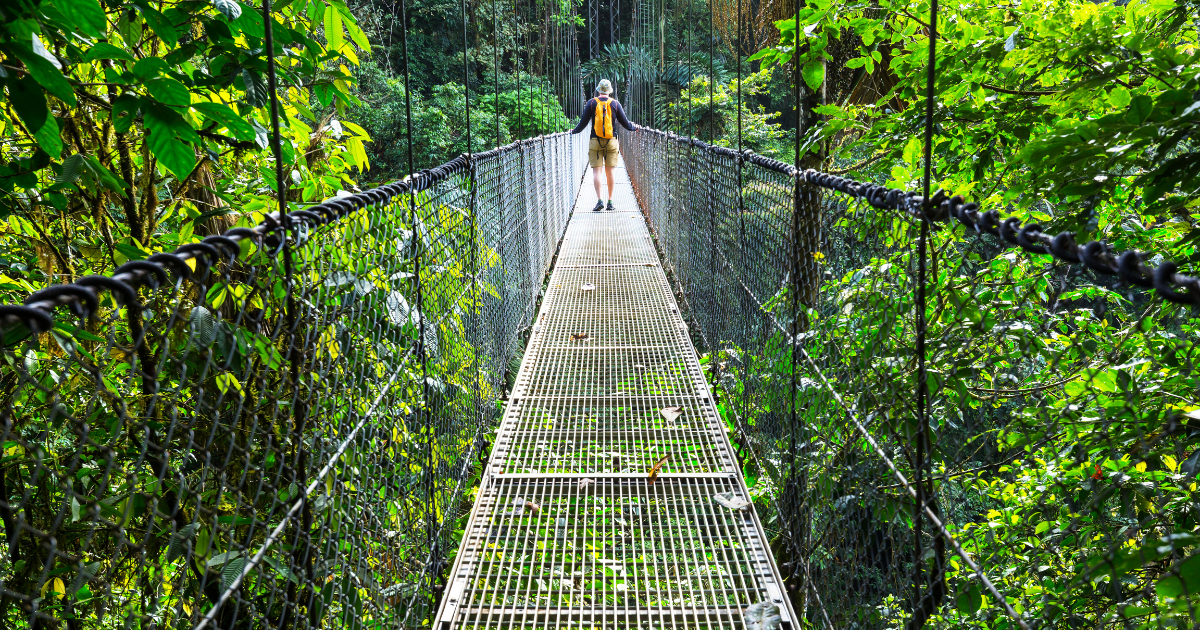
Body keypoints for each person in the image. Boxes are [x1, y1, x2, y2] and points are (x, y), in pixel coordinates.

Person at [570, 79, 639, 211]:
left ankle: (599, 200)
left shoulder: (591, 103)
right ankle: (610, 202)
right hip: (611, 141)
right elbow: (625, 123)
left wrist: (574, 131)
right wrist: (634, 128)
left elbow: (583, 123)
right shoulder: (615, 104)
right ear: (609, 91)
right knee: (610, 172)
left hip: (595, 141)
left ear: (598, 90)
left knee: (597, 171)